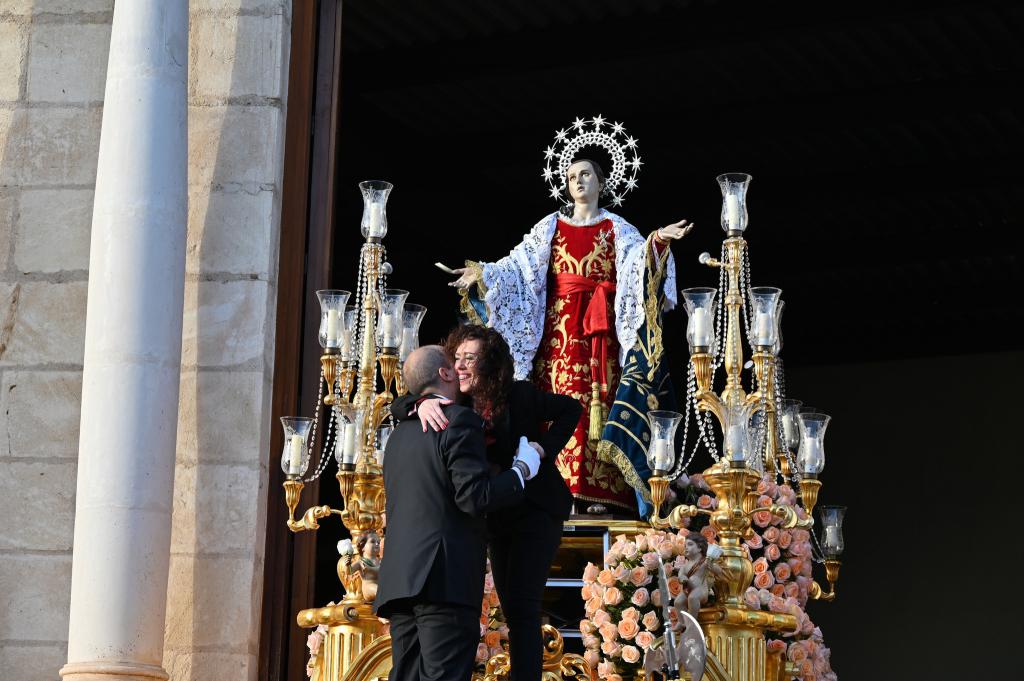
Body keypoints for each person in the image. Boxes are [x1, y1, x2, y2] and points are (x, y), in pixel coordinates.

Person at [449, 157, 692, 515]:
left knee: (600, 402)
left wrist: (657, 242)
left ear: (601, 182)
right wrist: (483, 274)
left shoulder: (618, 228)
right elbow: (517, 268)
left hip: (601, 336)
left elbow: (636, 266)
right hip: (557, 335)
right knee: (555, 403)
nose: (578, 181)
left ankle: (600, 495)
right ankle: (555, 490)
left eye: (585, 174)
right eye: (571, 176)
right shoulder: (549, 226)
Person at [406, 325, 582, 681]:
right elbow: (400, 406)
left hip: (536, 512)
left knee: (522, 608)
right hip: (497, 517)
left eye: (470, 358)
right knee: (511, 607)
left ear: (490, 364)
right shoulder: (454, 403)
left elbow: (571, 409)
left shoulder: (519, 395)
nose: (460, 366)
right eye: (456, 358)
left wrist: (543, 450)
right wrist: (422, 403)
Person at [374, 345, 542, 681]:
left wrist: (415, 402)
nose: (462, 368)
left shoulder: (397, 434)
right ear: (445, 373)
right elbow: (475, 497)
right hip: (443, 581)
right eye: (455, 362)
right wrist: (522, 470)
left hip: (400, 581)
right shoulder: (459, 421)